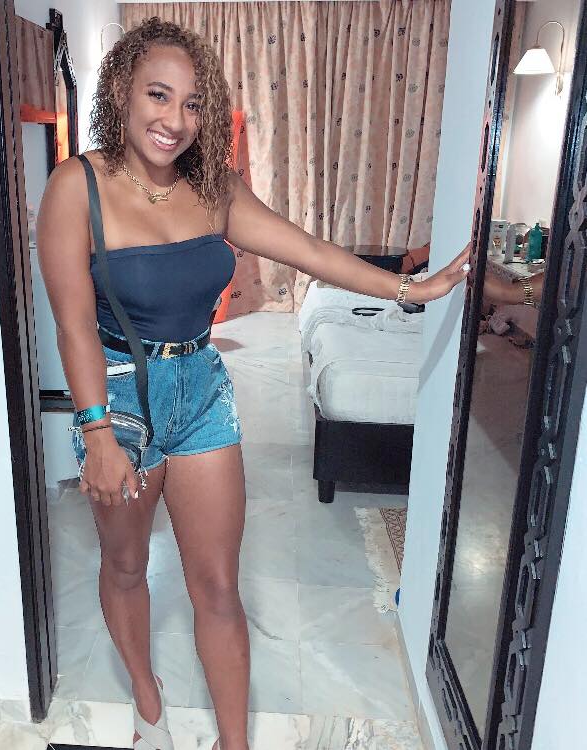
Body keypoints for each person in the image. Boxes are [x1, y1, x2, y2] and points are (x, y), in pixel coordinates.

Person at [36, 17, 469, 750]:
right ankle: (147, 698)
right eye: (159, 95)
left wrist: (410, 288)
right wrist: (96, 433)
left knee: (217, 586)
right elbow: (74, 324)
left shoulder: (215, 188)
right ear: (122, 89)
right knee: (127, 563)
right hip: (117, 396)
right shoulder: (76, 187)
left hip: (202, 388)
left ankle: (233, 743)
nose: (176, 120)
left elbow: (309, 250)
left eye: (193, 103)